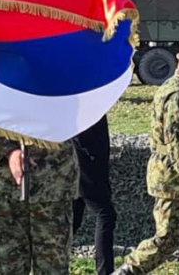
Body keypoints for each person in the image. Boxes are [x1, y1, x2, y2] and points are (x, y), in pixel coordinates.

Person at [113, 51, 179, 275]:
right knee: (167, 239)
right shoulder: (178, 96)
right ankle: (128, 270)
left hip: (178, 179)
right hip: (173, 181)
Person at [0, 129, 78, 275]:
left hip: (55, 179)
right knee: (9, 268)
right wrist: (8, 150)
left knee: (53, 269)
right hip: (6, 183)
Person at [72, 115, 117, 275]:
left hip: (84, 161)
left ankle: (50, 260)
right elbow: (80, 131)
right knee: (105, 214)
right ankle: (105, 270)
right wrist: (93, 153)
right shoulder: (85, 101)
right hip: (86, 163)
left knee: (73, 218)